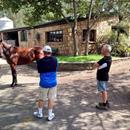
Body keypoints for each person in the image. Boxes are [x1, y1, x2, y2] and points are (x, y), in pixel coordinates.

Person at [33, 45, 58, 121]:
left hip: (43, 83)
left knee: (41, 99)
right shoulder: (55, 60)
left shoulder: (39, 62)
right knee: (51, 99)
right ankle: (50, 115)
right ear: (50, 52)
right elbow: (55, 69)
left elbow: (39, 71)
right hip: (53, 83)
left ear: (43, 52)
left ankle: (40, 113)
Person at [93, 44, 112, 110]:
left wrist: (97, 66)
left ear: (105, 51)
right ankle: (105, 101)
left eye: (102, 49)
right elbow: (99, 66)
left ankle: (104, 104)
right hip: (104, 77)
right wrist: (98, 66)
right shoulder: (109, 58)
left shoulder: (103, 60)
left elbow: (95, 65)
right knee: (103, 90)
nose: (101, 50)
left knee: (103, 90)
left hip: (101, 78)